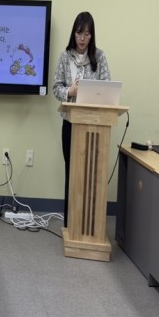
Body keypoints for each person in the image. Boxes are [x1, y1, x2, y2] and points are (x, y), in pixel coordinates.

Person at [53, 12, 111, 228]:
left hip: (94, 125)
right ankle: (71, 224)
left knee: (92, 174)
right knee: (73, 172)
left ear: (91, 35)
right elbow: (56, 88)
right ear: (74, 33)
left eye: (87, 34)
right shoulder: (64, 57)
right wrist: (71, 91)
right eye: (79, 33)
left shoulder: (99, 57)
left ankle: (90, 224)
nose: (82, 38)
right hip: (70, 123)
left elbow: (108, 87)